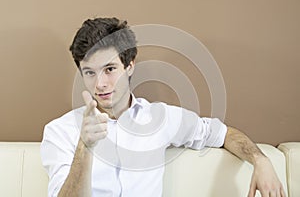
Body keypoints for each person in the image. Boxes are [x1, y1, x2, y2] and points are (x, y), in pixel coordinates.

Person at [40, 17, 285, 197]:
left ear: (130, 66)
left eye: (110, 69)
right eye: (90, 73)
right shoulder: (59, 131)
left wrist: (260, 161)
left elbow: (222, 134)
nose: (100, 84)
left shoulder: (162, 118)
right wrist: (86, 146)